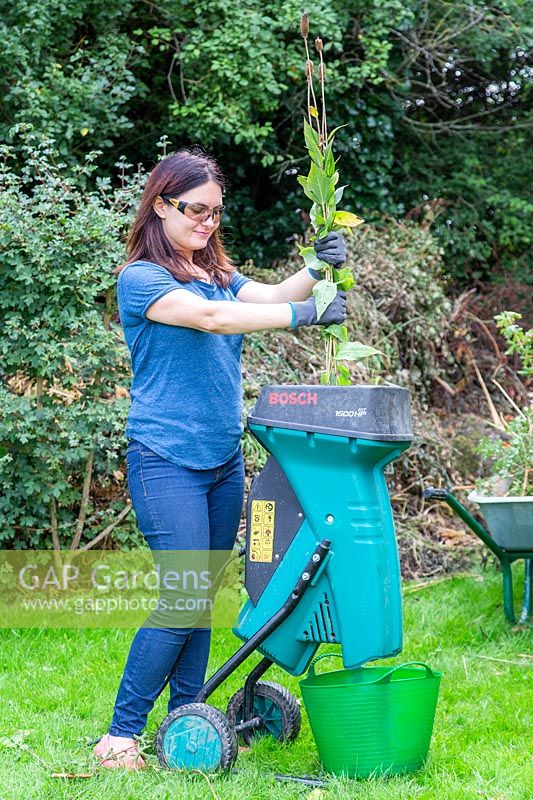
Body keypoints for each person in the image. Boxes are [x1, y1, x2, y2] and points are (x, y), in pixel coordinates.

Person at [94, 148, 347, 769]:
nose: (208, 222)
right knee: (183, 592)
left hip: (220, 460)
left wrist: (315, 267)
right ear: (161, 205)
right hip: (164, 459)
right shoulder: (143, 278)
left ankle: (190, 716)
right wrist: (299, 316)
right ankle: (120, 737)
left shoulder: (213, 271)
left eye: (216, 212)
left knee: (201, 593)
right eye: (196, 210)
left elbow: (264, 293)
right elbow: (212, 319)